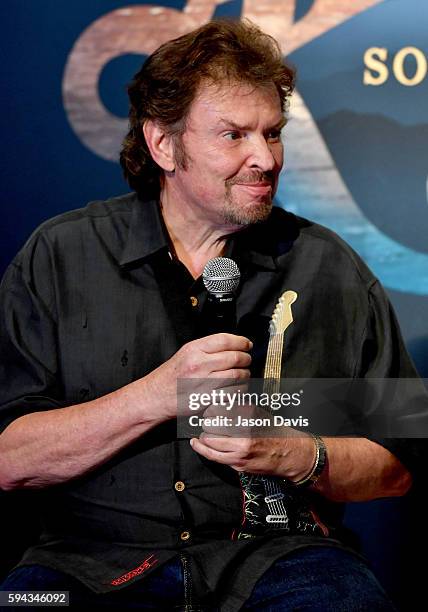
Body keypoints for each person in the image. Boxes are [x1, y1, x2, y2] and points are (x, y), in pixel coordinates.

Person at [0, 19, 425, 611]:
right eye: (234, 135)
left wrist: (293, 455)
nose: (264, 158)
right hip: (89, 565)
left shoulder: (329, 267)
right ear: (163, 144)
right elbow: (8, 460)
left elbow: (399, 463)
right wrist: (153, 396)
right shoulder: (61, 256)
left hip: (284, 562)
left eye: (272, 134)